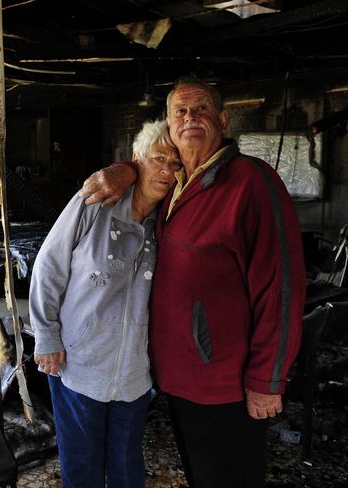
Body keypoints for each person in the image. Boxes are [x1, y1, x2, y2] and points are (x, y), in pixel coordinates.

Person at [80, 77, 306, 488]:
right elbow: (147, 166)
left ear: (222, 119)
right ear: (168, 126)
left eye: (201, 109)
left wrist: (266, 380)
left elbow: (281, 288)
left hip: (225, 382)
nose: (191, 117)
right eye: (180, 111)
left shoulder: (251, 182)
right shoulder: (172, 184)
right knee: (200, 475)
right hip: (175, 376)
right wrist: (126, 169)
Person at [29, 120, 181, 488]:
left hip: (133, 373)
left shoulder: (168, 222)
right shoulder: (96, 202)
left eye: (175, 163)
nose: (165, 170)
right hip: (79, 363)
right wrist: (46, 335)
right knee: (82, 469)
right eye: (157, 158)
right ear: (136, 159)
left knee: (127, 470)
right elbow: (49, 265)